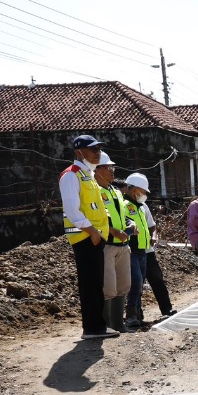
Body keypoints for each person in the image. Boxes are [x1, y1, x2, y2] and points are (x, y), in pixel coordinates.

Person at [60, 135, 117, 339]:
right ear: (79, 152)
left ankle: (97, 325)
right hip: (85, 237)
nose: (97, 152)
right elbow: (72, 211)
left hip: (95, 236)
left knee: (96, 283)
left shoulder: (88, 175)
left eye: (98, 149)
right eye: (92, 149)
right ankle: (92, 328)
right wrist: (92, 232)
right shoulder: (71, 175)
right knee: (89, 284)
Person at [96, 155, 132, 333]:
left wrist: (129, 224)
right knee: (108, 287)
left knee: (124, 284)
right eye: (107, 167)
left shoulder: (115, 191)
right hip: (107, 245)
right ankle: (106, 325)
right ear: (96, 170)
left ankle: (118, 324)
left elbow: (121, 214)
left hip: (122, 244)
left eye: (112, 167)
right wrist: (112, 230)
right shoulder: (94, 191)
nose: (112, 171)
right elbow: (96, 217)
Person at [123, 173, 153, 329]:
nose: (145, 194)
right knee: (136, 282)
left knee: (140, 283)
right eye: (143, 191)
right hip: (131, 249)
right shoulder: (124, 205)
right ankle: (130, 316)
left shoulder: (140, 207)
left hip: (142, 250)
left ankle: (138, 315)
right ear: (134, 189)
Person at [143, 206, 177, 319]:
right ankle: (135, 315)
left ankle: (167, 309)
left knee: (157, 280)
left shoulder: (143, 205)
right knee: (136, 284)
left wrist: (153, 237)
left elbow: (152, 225)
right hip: (133, 252)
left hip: (148, 251)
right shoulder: (125, 205)